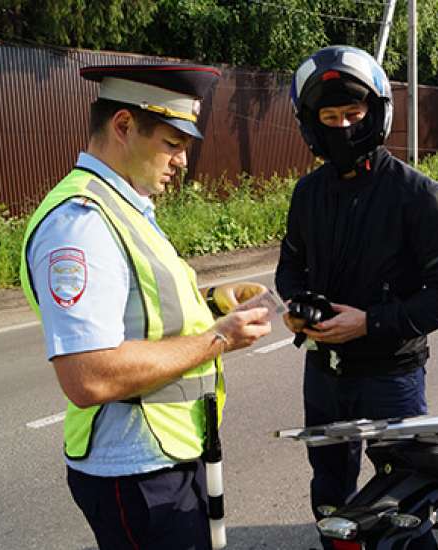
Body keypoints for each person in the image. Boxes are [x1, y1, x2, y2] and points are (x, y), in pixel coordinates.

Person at [19, 64, 272, 549]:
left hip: (164, 458)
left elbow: (139, 309)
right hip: (136, 472)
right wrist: (219, 337)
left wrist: (212, 302)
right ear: (123, 126)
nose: (182, 160)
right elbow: (88, 375)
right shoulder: (81, 223)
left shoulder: (123, 205)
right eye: (173, 143)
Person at [275, 45, 438, 549]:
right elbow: (290, 267)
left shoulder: (418, 194)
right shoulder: (308, 193)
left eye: (353, 113)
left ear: (376, 112)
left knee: (403, 504)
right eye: (330, 117)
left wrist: (370, 322)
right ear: (311, 123)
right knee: (331, 500)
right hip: (324, 375)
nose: (342, 126)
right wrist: (297, 307)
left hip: (391, 376)